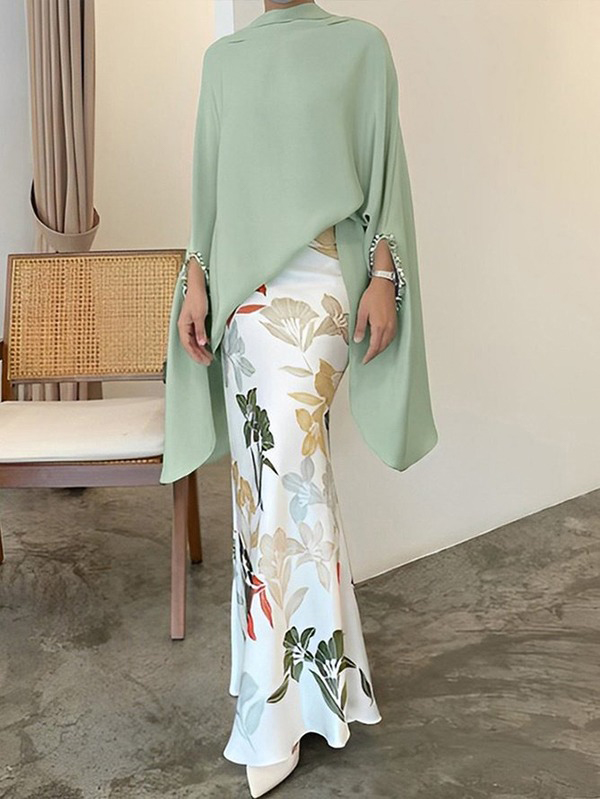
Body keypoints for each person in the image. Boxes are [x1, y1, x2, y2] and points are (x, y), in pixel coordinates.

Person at [160, 1, 439, 795]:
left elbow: (385, 172)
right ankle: (316, 679)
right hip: (243, 301)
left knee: (285, 467)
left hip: (322, 287)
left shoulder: (361, 47)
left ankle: (272, 714)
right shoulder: (225, 62)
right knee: (269, 482)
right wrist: (196, 280)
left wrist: (382, 276)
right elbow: (209, 186)